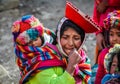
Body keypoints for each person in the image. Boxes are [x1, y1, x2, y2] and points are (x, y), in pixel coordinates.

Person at [12, 1, 100, 84]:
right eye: (65, 37)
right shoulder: (43, 60)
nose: (70, 43)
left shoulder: (81, 58)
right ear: (58, 38)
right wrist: (71, 67)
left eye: (76, 38)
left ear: (82, 40)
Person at [95, 10, 120, 84]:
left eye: (119, 35)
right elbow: (99, 77)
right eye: (111, 34)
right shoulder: (104, 53)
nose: (114, 39)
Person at [93, 0, 120, 64]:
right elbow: (97, 9)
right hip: (105, 33)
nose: (114, 39)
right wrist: (98, 32)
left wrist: (108, 2)